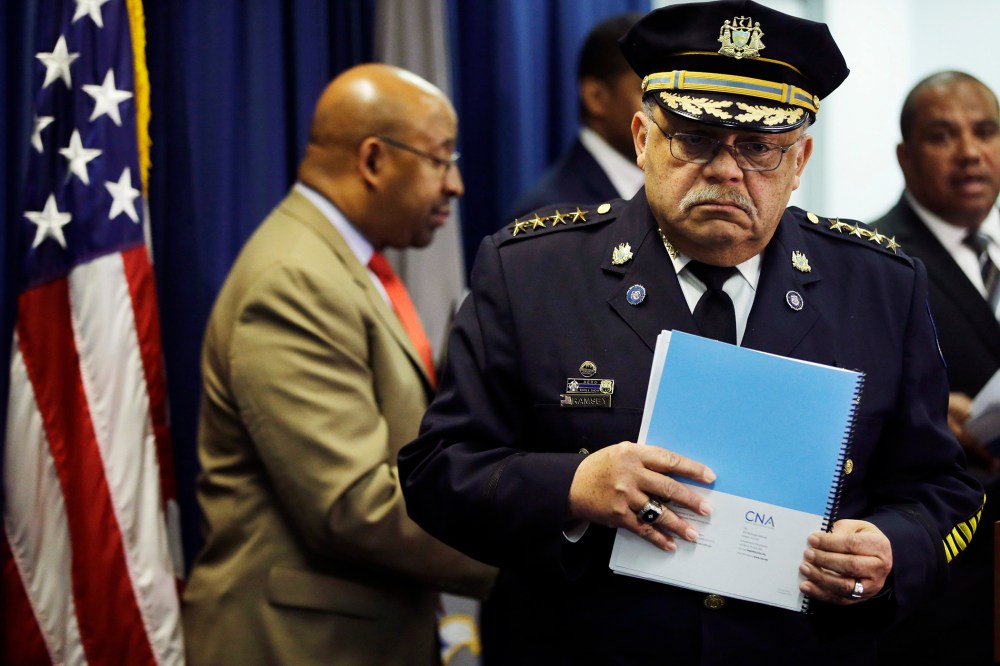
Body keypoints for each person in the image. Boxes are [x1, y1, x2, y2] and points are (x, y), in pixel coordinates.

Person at [397, 2, 985, 665]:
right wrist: (572, 488)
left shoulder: (879, 286)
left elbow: (946, 492)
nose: (728, 171)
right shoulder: (530, 273)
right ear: (644, 138)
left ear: (800, 160)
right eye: (697, 138)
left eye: (760, 147)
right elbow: (435, 472)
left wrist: (891, 550)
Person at [182, 63, 495, 666]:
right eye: (440, 158)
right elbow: (353, 505)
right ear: (373, 160)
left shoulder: (340, 265)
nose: (455, 184)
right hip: (296, 648)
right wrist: (525, 556)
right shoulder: (295, 280)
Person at [873, 70, 1000, 666]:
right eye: (943, 136)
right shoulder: (875, 262)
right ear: (905, 155)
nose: (971, 153)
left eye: (986, 131)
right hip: (949, 577)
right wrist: (917, 410)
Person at [509, 12, 645, 218]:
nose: (668, 108)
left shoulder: (676, 194)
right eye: (649, 91)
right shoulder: (548, 215)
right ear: (596, 97)